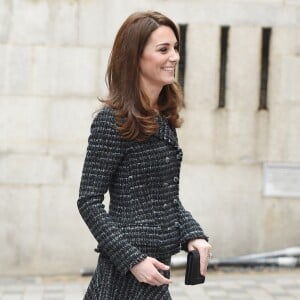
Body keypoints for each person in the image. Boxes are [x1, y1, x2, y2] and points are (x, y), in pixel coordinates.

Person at [77, 11, 212, 300]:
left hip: (156, 274)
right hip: (122, 280)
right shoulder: (111, 122)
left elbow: (165, 198)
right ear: (135, 57)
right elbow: (88, 201)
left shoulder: (162, 119)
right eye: (163, 49)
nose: (174, 56)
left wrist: (194, 235)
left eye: (176, 47)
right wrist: (132, 260)